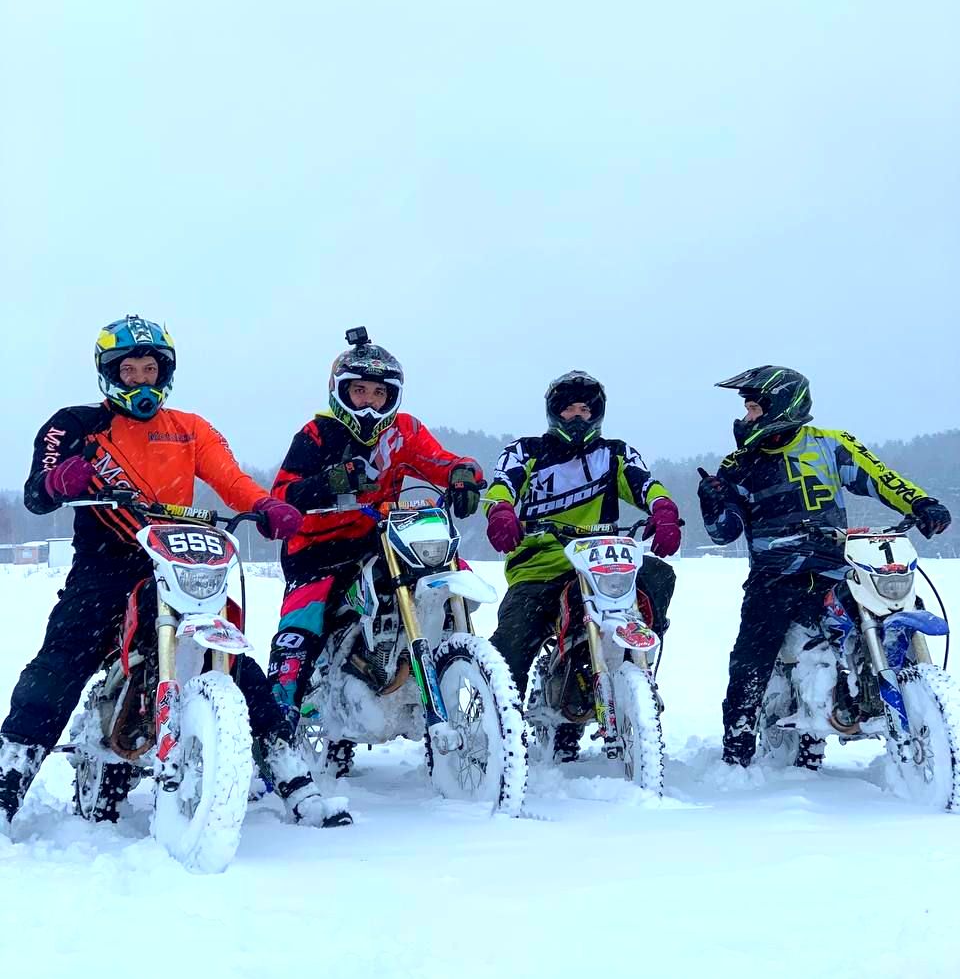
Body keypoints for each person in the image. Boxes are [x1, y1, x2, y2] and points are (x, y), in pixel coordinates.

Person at [0, 315, 350, 838]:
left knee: (226, 658)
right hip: (105, 564)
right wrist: (61, 478)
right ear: (108, 375)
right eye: (128, 370)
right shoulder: (73, 423)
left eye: (150, 369)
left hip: (180, 559)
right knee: (64, 657)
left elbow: (230, 479)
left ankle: (291, 776)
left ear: (165, 374)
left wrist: (265, 505)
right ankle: (11, 774)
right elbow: (35, 492)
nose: (140, 380)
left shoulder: (190, 427)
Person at [698, 365, 952, 769]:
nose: (746, 417)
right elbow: (724, 532)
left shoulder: (831, 445)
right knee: (752, 655)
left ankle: (892, 697)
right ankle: (738, 749)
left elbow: (880, 477)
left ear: (780, 405)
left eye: (752, 408)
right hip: (774, 574)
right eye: (746, 409)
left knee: (893, 607)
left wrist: (920, 504)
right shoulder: (737, 464)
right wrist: (713, 501)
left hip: (838, 566)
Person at [264, 327, 484, 770]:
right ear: (339, 391)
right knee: (300, 632)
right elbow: (282, 496)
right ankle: (275, 734)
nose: (368, 402)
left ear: (392, 396)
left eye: (378, 393)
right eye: (359, 391)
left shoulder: (404, 431)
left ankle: (459, 668)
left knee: (447, 572)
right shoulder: (316, 435)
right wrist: (329, 482)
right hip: (317, 547)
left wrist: (464, 474)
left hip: (380, 538)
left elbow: (440, 460)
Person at [484, 370, 682, 759]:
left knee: (659, 575)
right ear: (554, 413)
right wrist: (501, 510)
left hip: (605, 562)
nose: (578, 417)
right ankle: (498, 728)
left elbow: (645, 483)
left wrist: (663, 508)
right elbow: (501, 484)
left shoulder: (615, 453)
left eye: (586, 409)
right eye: (570, 409)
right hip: (541, 564)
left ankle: (638, 668)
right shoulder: (525, 451)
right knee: (513, 640)